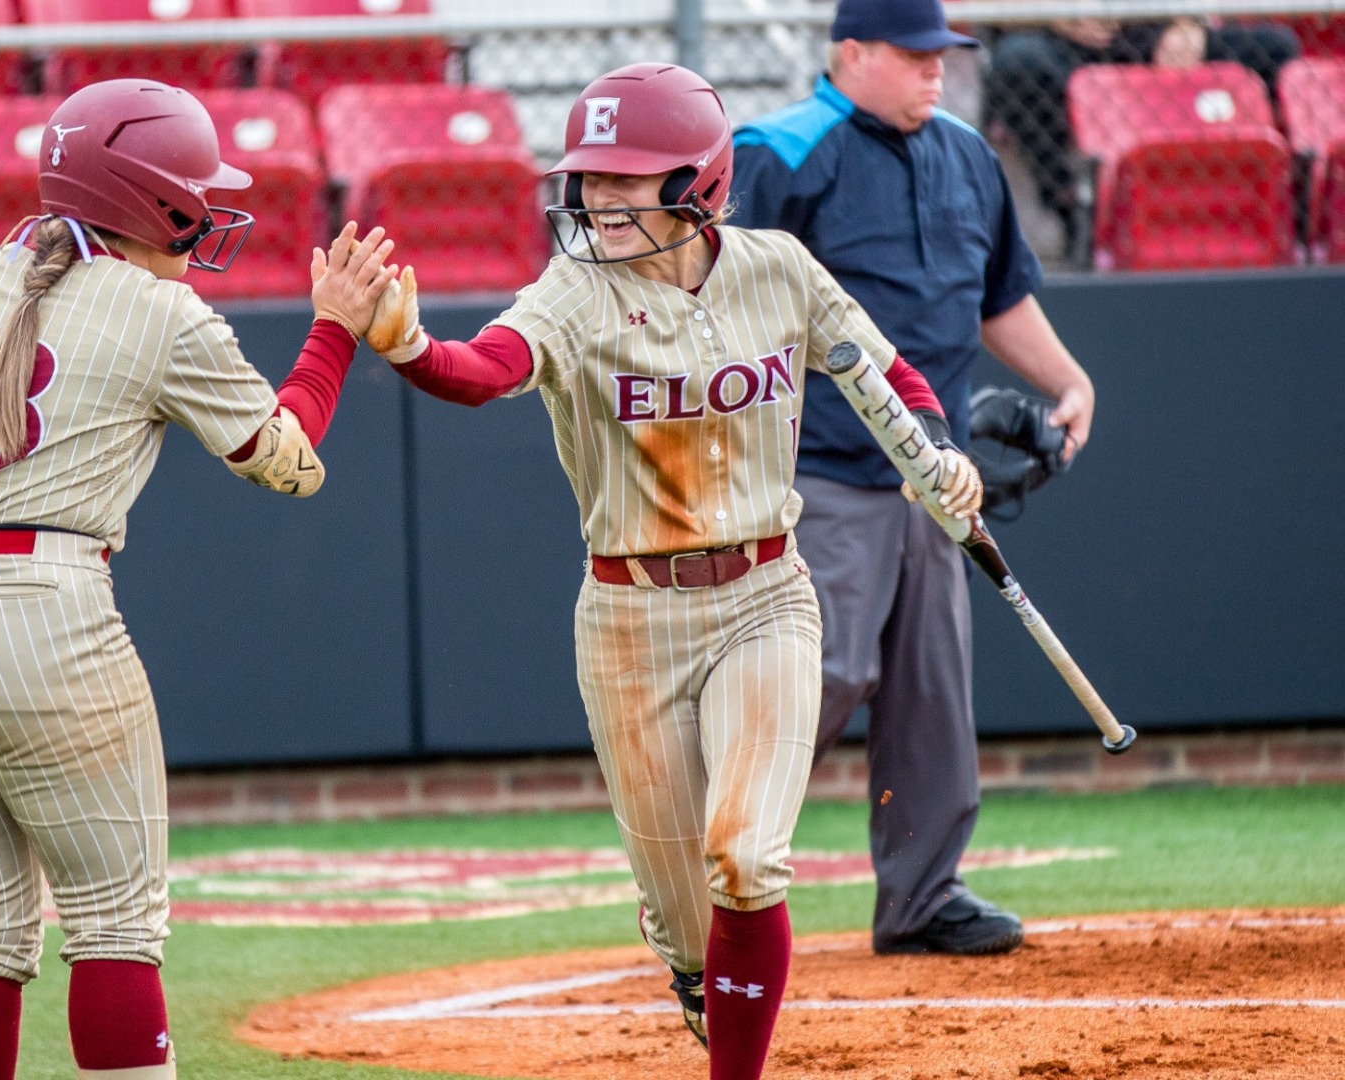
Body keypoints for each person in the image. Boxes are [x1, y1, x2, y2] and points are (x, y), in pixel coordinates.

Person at [361, 62, 981, 1080]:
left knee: (745, 855)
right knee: (692, 916)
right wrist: (410, 346)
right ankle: (691, 958)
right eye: (588, 178)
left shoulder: (777, 268)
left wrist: (938, 456)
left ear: (701, 185)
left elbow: (883, 373)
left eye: (624, 178)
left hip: (766, 596)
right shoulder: (573, 292)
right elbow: (487, 373)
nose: (596, 198)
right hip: (628, 620)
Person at [0, 78, 396, 1080]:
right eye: (195, 197)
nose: (208, 213)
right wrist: (334, 329)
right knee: (113, 925)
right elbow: (288, 461)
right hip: (41, 610)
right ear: (156, 204)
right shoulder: (164, 312)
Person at [729, 0, 1097, 958]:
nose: (938, 71)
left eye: (944, 54)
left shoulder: (967, 153)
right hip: (819, 471)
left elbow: (997, 295)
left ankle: (924, 895)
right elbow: (708, 295)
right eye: (914, 53)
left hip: (936, 476)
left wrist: (1063, 378)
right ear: (850, 52)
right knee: (825, 673)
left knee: (930, 692)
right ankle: (707, 870)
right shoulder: (779, 150)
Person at [984, 12, 1299, 253]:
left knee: (1277, 47)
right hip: (1062, 37)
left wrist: (1188, 23)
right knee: (1018, 62)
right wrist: (1052, 13)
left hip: (1154, 33)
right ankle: (1076, 207)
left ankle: (1279, 215)